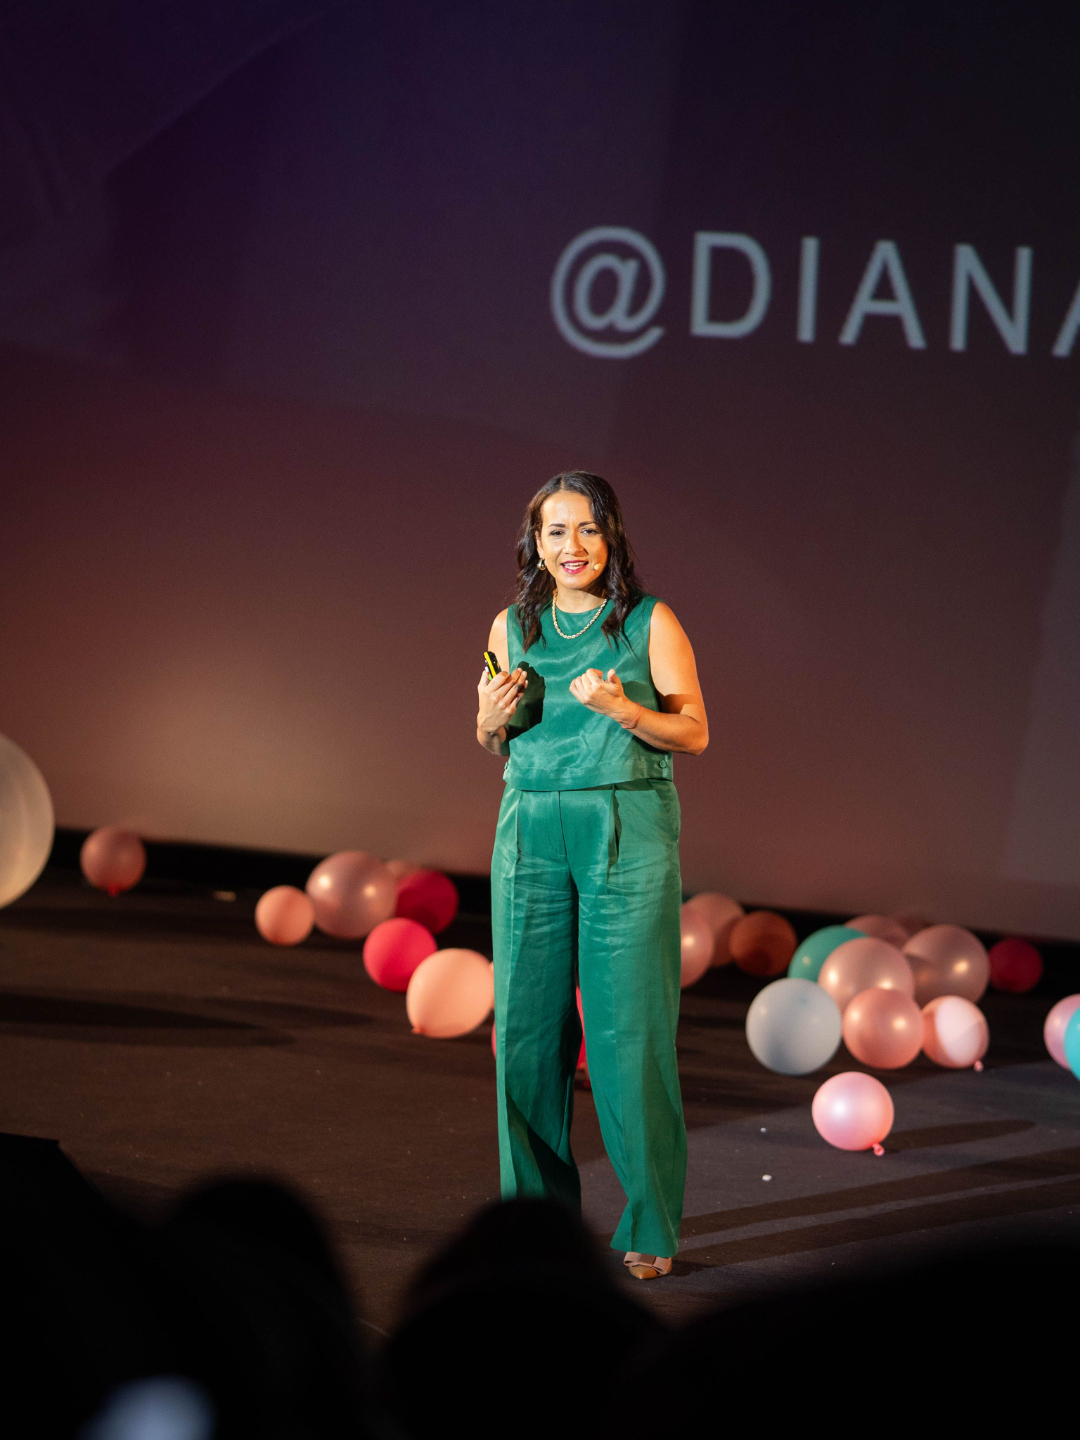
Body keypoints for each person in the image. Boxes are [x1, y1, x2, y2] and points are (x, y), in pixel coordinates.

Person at [476, 471, 708, 1280]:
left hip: (625, 826)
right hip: (529, 827)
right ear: (534, 544)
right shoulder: (511, 624)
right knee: (526, 1037)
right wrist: (486, 721)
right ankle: (535, 1223)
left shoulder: (649, 620)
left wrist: (625, 711)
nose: (571, 546)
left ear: (611, 536)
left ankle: (650, 1223)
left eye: (586, 529)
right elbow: (496, 734)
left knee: (627, 1033)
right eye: (554, 531)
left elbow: (694, 731)